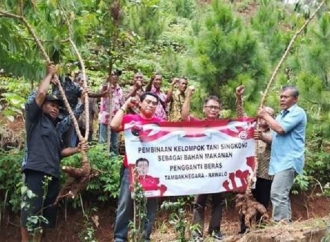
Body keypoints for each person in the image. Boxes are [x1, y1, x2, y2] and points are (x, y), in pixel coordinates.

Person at [21, 65, 88, 242]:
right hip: (36, 170)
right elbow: (41, 95)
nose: (56, 109)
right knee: (29, 212)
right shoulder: (34, 119)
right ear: (42, 106)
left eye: (58, 107)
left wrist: (77, 149)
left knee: (46, 215)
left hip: (53, 174)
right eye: (52, 105)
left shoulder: (55, 129)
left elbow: (60, 152)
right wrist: (50, 74)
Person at [110, 92, 163, 242]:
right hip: (131, 168)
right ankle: (120, 237)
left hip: (152, 170)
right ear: (140, 103)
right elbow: (113, 125)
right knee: (125, 203)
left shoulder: (159, 123)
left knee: (150, 205)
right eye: (148, 102)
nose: (151, 105)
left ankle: (144, 237)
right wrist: (125, 105)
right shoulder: (130, 119)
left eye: (154, 103)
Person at [257, 85, 307, 223]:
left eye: (286, 97)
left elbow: (281, 129)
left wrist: (265, 115)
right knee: (281, 194)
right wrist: (261, 136)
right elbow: (274, 138)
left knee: (277, 194)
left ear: (295, 99)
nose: (282, 99)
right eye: (281, 96)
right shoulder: (281, 115)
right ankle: (286, 226)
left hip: (289, 160)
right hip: (279, 161)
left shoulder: (298, 112)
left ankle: (280, 226)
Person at [181, 87, 224, 241]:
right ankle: (196, 233)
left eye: (216, 107)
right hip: (201, 169)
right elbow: (184, 116)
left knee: (218, 201)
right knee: (199, 202)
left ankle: (215, 231)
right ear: (204, 109)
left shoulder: (225, 126)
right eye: (210, 107)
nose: (213, 110)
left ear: (219, 110)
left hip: (219, 169)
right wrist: (188, 96)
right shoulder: (197, 123)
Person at [235, 85, 274, 233]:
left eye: (268, 114)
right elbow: (241, 115)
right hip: (250, 174)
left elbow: (273, 140)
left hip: (266, 174)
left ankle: (260, 229)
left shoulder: (274, 132)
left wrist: (263, 136)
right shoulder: (251, 127)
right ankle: (244, 229)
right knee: (246, 202)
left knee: (262, 202)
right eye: (263, 112)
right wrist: (239, 99)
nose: (264, 116)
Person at [98, 70, 125, 155]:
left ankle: (114, 162)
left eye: (117, 75)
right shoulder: (105, 86)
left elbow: (122, 104)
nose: (115, 77)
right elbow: (100, 93)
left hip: (115, 119)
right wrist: (106, 81)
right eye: (113, 75)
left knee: (114, 143)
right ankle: (101, 159)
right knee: (103, 141)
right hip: (105, 118)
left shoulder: (120, 90)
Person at [76, 74, 99, 143]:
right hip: (77, 124)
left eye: (85, 81)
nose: (83, 83)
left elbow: (95, 111)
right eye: (82, 81)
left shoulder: (91, 95)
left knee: (87, 145)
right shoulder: (74, 93)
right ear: (78, 81)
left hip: (87, 125)